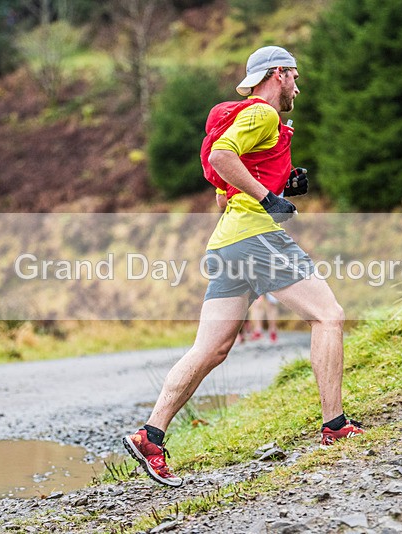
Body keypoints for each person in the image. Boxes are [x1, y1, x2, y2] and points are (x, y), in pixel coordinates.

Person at [123, 46, 363, 488]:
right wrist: (269, 198)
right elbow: (220, 159)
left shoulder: (247, 121)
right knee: (328, 316)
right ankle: (335, 426)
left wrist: (276, 183)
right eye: (295, 76)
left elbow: (222, 191)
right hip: (255, 238)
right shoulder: (262, 114)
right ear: (279, 73)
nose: (298, 86)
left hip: (229, 242)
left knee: (210, 349)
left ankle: (150, 436)